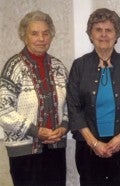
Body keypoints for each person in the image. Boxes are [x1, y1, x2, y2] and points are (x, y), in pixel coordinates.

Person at [67, 8, 120, 186]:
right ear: (90, 34)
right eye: (98, 30)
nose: (104, 34)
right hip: (88, 146)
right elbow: (73, 106)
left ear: (116, 34)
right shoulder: (79, 66)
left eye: (109, 30)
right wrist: (94, 143)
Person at [0, 10, 69, 185]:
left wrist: (64, 126)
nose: (41, 38)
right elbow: (3, 109)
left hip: (55, 148)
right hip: (24, 152)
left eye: (45, 33)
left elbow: (70, 104)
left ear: (51, 36)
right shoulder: (14, 66)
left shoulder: (58, 67)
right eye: (34, 33)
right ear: (25, 36)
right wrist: (35, 131)